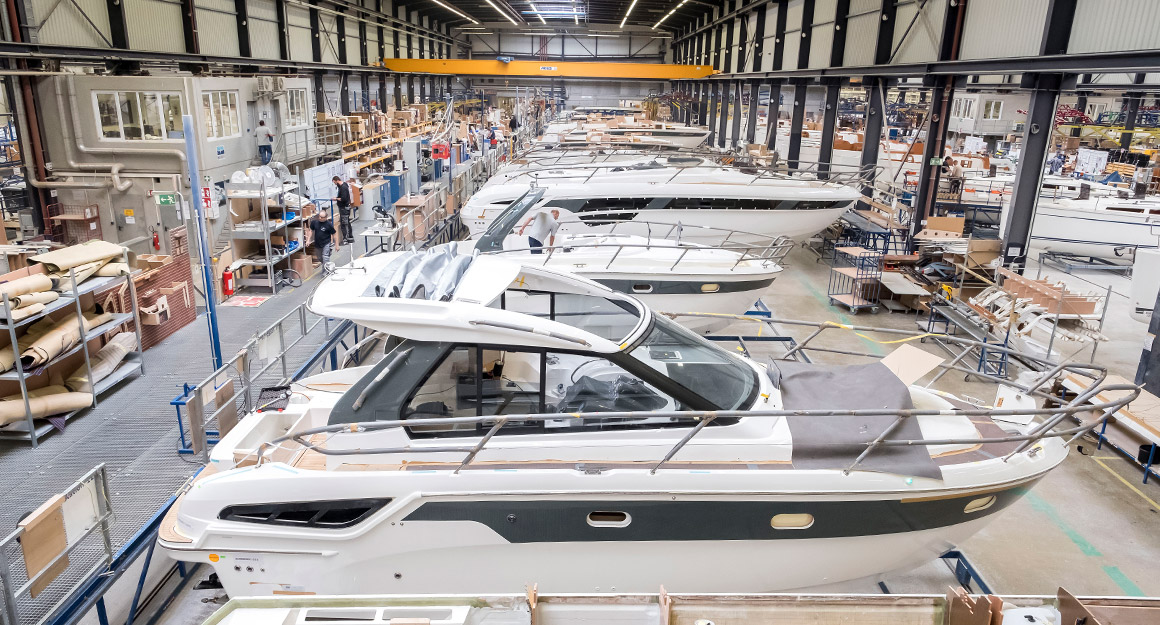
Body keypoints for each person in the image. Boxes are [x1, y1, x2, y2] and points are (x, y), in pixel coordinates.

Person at [332, 175, 353, 245]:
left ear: (337, 180)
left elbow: (343, 199)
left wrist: (336, 198)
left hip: (344, 208)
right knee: (347, 222)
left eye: (335, 183)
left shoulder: (343, 188)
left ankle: (346, 239)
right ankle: (350, 238)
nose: (335, 184)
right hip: (345, 207)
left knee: (344, 223)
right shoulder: (344, 185)